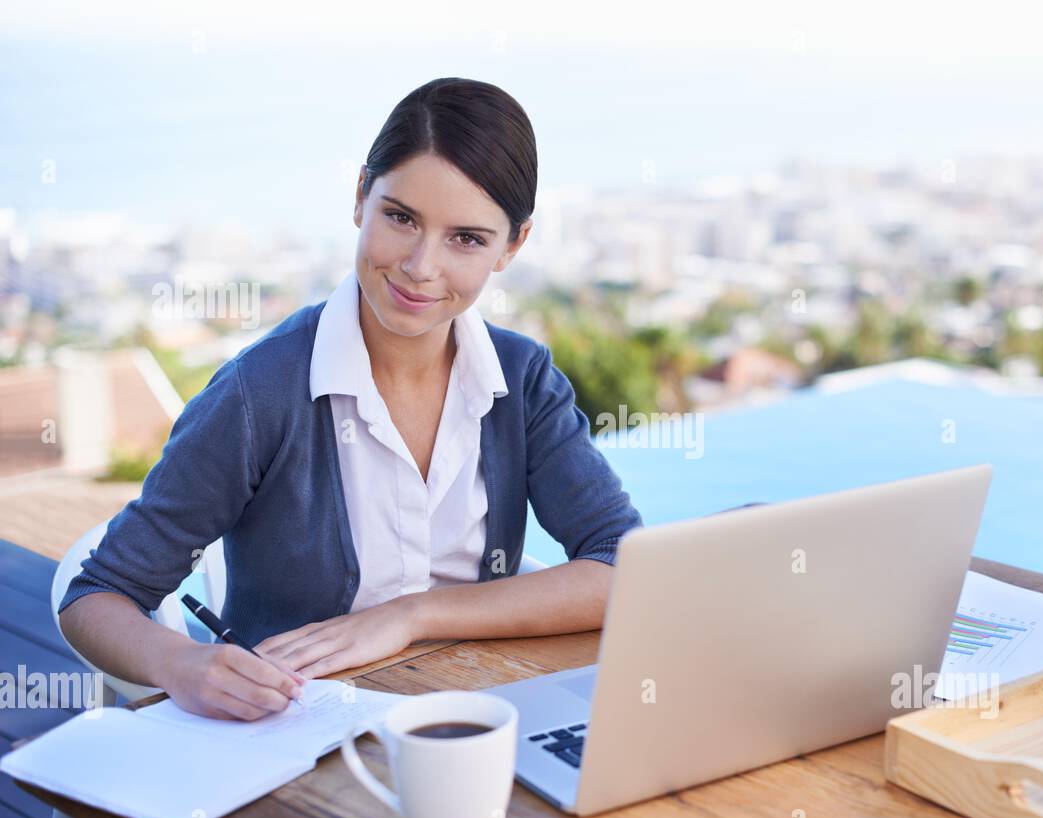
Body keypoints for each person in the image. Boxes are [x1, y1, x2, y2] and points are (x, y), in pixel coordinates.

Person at [58, 78, 644, 721]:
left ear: (513, 246)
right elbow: (99, 595)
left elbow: (622, 565)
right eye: (401, 218)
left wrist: (412, 616)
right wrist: (181, 663)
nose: (421, 266)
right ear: (362, 196)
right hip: (291, 736)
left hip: (474, 724)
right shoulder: (261, 393)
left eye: (467, 239)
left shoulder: (522, 380)